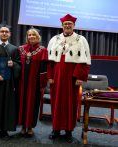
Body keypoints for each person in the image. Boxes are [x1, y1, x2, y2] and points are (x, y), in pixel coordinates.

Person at [47, 14, 91, 143]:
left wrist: (79, 77)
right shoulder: (55, 39)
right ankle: (55, 129)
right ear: (62, 25)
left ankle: (68, 131)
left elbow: (85, 60)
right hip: (56, 75)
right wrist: (49, 76)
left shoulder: (80, 39)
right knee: (56, 102)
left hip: (72, 77)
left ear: (73, 25)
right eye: (65, 24)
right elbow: (49, 61)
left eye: (69, 24)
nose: (67, 26)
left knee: (71, 103)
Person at [17, 26, 48, 137]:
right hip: (22, 82)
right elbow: (17, 66)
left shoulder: (43, 50)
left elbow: (44, 70)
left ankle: (30, 126)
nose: (31, 37)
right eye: (29, 35)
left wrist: (43, 85)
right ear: (27, 37)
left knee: (32, 104)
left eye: (33, 34)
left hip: (34, 83)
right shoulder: (20, 49)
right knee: (22, 103)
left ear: (37, 36)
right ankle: (23, 126)